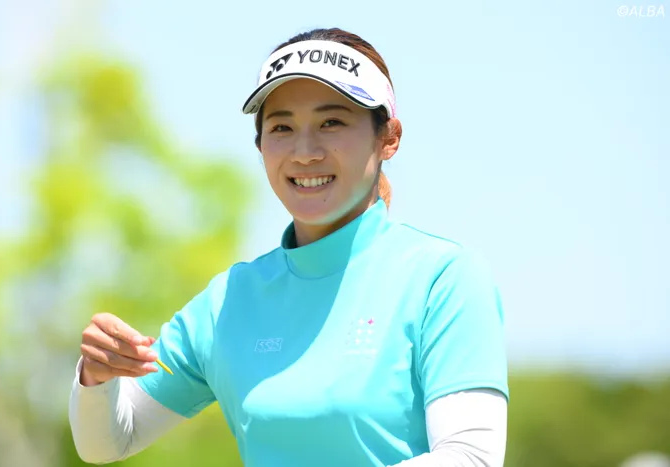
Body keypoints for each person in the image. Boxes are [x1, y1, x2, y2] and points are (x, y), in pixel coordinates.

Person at [69, 27, 510, 467]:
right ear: (260, 145)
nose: (304, 151)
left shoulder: (441, 279)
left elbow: (471, 457)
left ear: (388, 137)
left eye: (331, 122)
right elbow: (109, 441)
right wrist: (98, 376)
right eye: (282, 127)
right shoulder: (229, 302)